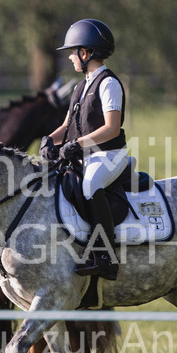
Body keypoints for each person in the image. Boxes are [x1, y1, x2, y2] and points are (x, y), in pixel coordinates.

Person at [40, 19, 126, 281]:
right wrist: (49, 140)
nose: (69, 57)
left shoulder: (108, 84)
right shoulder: (80, 86)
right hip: (82, 155)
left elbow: (112, 128)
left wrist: (76, 144)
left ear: (85, 53)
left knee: (89, 186)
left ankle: (105, 256)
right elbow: (68, 125)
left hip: (108, 155)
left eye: (72, 51)